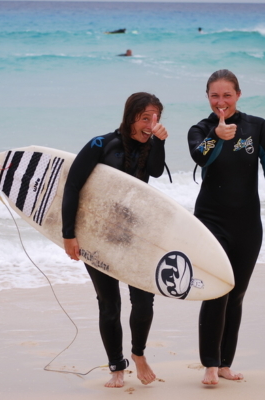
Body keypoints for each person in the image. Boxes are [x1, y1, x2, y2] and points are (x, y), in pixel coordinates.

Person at [62, 92, 168, 388]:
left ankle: (138, 354)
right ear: (130, 116)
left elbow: (157, 171)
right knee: (109, 304)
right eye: (145, 118)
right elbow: (73, 186)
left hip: (135, 234)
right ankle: (116, 367)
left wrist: (159, 140)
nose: (151, 123)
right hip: (98, 234)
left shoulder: (151, 146)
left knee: (145, 299)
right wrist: (69, 234)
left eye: (156, 118)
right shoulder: (101, 144)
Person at [187, 69, 265, 385]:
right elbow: (200, 158)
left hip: (247, 223)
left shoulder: (256, 127)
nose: (221, 102)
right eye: (214, 96)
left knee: (237, 293)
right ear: (207, 97)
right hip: (210, 221)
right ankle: (210, 364)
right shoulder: (200, 129)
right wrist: (217, 135)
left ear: (238, 95)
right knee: (216, 290)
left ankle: (226, 363)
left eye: (226, 95)